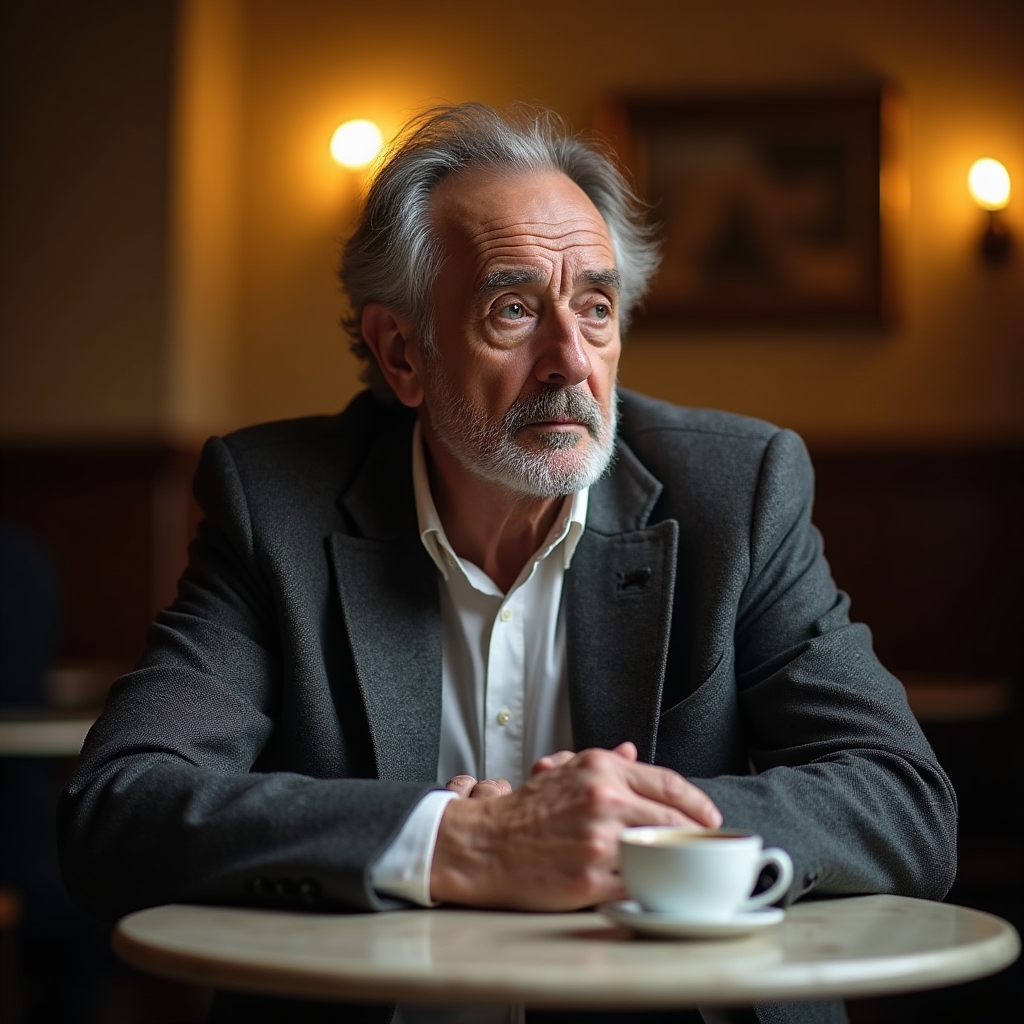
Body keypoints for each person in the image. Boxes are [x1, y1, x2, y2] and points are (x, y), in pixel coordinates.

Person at [57, 104, 956, 1024]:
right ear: (402, 352)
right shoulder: (274, 503)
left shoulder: (737, 492)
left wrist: (615, 832)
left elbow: (902, 802)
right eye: (514, 309)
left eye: (597, 308)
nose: (569, 361)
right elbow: (119, 808)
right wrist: (461, 842)